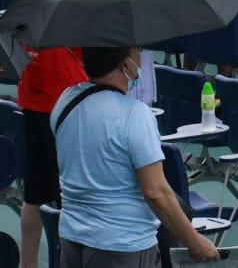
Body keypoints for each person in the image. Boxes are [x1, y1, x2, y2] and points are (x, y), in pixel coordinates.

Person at [53, 44, 222, 268]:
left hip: (71, 237)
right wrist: (194, 241)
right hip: (121, 244)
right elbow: (156, 192)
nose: (141, 60)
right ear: (126, 65)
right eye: (137, 52)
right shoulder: (135, 114)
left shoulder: (65, 100)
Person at [17, 0, 88, 268]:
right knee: (68, 198)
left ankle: (28, 264)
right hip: (66, 104)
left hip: (32, 98)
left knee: (34, 193)